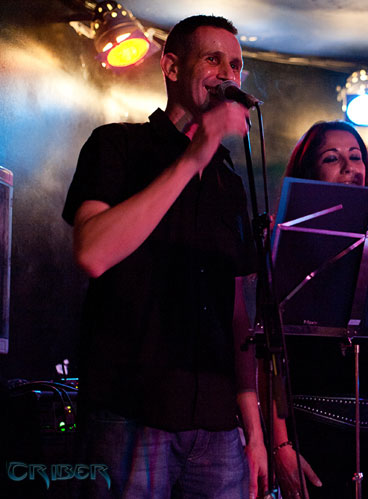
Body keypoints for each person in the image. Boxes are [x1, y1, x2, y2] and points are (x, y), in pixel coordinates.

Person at [62, 15, 267, 498]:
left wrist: (255, 430)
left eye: (236, 64)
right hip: (130, 414)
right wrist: (195, 154)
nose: (228, 74)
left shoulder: (230, 182)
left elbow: (237, 314)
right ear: (172, 68)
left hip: (218, 424)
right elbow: (92, 253)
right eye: (213, 59)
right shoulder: (117, 145)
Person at [263, 121, 368, 499]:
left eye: (356, 157)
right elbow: (269, 355)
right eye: (332, 158)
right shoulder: (285, 242)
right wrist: (281, 445)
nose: (349, 167)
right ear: (309, 172)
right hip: (316, 430)